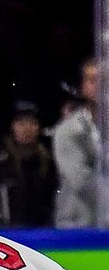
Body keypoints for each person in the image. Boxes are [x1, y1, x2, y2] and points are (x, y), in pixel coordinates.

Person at [0, 101, 56, 228]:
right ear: (11, 127)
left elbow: (53, 201)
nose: (27, 129)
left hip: (43, 233)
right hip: (6, 233)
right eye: (21, 123)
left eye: (33, 123)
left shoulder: (48, 164)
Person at [52, 58, 100, 228]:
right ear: (83, 86)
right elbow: (81, 181)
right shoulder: (67, 131)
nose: (100, 86)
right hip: (77, 226)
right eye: (92, 80)